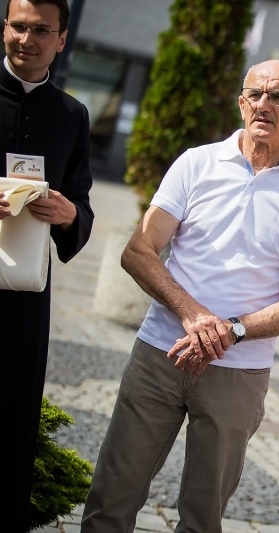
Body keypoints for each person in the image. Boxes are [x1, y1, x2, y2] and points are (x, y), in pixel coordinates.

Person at [80, 60, 279, 533]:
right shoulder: (196, 163)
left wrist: (230, 332)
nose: (264, 104)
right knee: (111, 496)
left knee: (203, 517)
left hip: (237, 374)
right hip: (160, 351)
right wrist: (195, 315)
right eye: (255, 94)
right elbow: (138, 251)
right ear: (241, 102)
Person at [1, 1, 94, 530]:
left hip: (24, 295)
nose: (26, 39)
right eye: (18, 26)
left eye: (41, 30)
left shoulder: (72, 115)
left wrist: (67, 213)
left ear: (60, 40)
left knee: (12, 416)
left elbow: (82, 203)